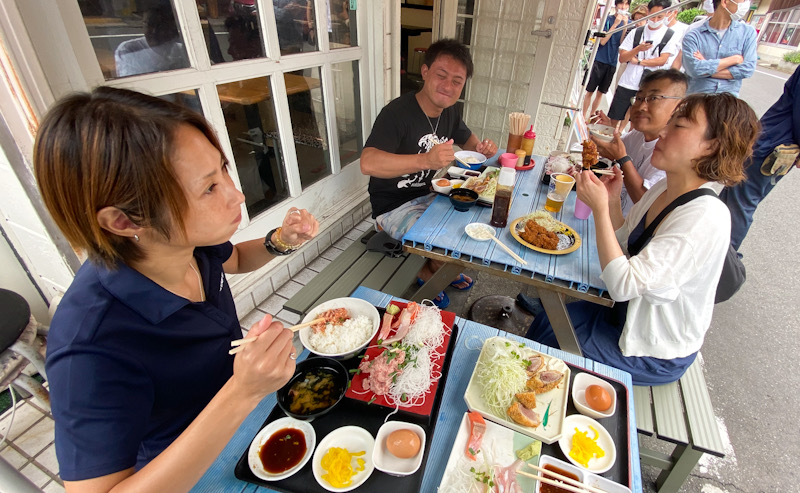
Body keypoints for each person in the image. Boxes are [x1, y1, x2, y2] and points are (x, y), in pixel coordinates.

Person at [35, 87, 319, 491]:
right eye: (208, 188)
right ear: (124, 222)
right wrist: (241, 392)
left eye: (223, 169)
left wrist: (282, 240)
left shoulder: (185, 243)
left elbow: (233, 260)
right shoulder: (90, 345)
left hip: (249, 420)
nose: (236, 194)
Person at [527, 93, 759, 384]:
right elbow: (624, 243)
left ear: (712, 145)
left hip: (651, 351)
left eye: (680, 126)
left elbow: (624, 284)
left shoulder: (704, 217)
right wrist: (611, 202)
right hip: (623, 318)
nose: (663, 132)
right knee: (546, 319)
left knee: (548, 345)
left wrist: (599, 209)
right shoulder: (665, 188)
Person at [360, 38, 498, 308]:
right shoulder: (396, 113)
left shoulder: (449, 112)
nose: (448, 86)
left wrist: (483, 148)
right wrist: (425, 159)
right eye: (441, 75)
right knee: (445, 242)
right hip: (392, 206)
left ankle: (438, 264)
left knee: (473, 222)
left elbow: (470, 143)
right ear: (425, 72)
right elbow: (368, 163)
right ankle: (427, 271)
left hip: (428, 195)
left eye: (457, 81)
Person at [721, 65, 800, 251]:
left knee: (740, 201)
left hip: (773, 144)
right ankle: (714, 250)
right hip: (773, 142)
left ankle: (725, 259)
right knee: (736, 196)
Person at [590, 69, 689, 217]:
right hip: (611, 220)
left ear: (679, 106)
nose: (642, 106)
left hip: (628, 235)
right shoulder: (638, 135)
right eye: (639, 98)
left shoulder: (672, 154)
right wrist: (607, 133)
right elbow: (610, 150)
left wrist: (622, 159)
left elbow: (646, 201)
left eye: (654, 98)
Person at [607, 0, 681, 128]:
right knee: (614, 117)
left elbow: (663, 59)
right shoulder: (637, 31)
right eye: (653, 15)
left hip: (649, 84)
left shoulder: (670, 35)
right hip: (628, 81)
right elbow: (623, 57)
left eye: (660, 17)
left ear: (667, 14)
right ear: (648, 11)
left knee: (637, 121)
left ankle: (626, 144)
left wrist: (640, 61)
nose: (656, 19)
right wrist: (638, 49)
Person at [681, 0, 757, 96]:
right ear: (725, 2)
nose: (746, 5)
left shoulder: (747, 33)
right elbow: (693, 69)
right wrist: (733, 59)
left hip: (728, 100)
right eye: (742, 1)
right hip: (697, 98)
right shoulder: (693, 36)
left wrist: (706, 69)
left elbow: (747, 69)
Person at [114, 3, 189, 77]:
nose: (154, 31)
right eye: (149, 25)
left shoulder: (182, 50)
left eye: (160, 26)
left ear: (172, 29)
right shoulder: (129, 50)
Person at [583, 0, 630, 118]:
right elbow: (603, 41)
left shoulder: (628, 23)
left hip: (612, 63)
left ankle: (591, 116)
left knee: (601, 93)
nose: (623, 7)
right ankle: (583, 115)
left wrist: (624, 27)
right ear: (616, 4)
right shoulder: (607, 19)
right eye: (621, 3)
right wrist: (615, 25)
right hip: (599, 59)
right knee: (590, 90)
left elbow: (622, 44)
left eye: (626, 4)